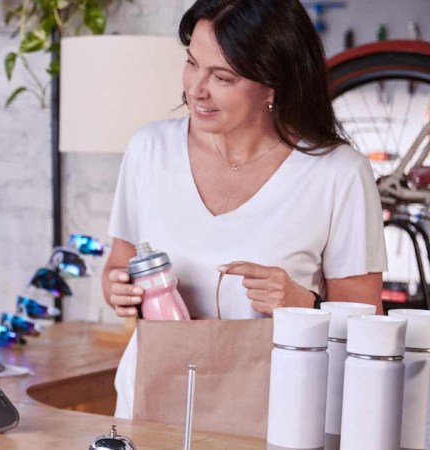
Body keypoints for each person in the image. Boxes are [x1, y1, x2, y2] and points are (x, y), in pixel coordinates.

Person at [101, 0, 387, 419]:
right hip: (151, 402)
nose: (196, 88)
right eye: (191, 63)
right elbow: (118, 268)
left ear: (272, 85)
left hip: (277, 414)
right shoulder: (149, 149)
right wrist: (119, 290)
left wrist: (303, 304)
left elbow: (368, 329)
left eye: (222, 77)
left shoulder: (338, 173)